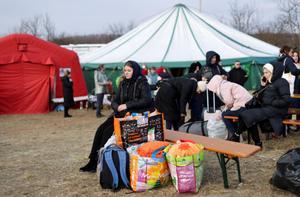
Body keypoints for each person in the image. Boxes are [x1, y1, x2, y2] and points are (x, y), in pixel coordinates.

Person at [80, 60, 154, 172]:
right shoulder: (123, 83)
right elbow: (115, 100)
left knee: (107, 132)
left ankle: (100, 162)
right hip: (121, 114)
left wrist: (127, 105)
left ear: (135, 70)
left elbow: (146, 100)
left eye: (129, 70)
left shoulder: (142, 83)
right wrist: (117, 106)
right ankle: (93, 160)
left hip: (136, 115)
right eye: (125, 70)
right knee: (100, 129)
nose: (127, 73)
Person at [240, 62, 290, 140]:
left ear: (273, 72)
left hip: (277, 110)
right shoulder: (268, 82)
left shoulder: (282, 82)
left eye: (267, 72)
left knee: (247, 115)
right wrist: (262, 86)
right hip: (267, 108)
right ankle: (256, 141)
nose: (264, 75)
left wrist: (272, 102)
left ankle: (236, 135)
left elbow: (286, 100)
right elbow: (260, 98)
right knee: (245, 115)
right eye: (264, 73)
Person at [205, 75, 257, 144]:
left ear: (214, 84)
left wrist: (222, 113)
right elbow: (230, 103)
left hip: (243, 105)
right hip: (249, 104)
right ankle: (238, 133)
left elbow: (229, 102)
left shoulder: (223, 87)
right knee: (227, 113)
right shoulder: (226, 84)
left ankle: (234, 135)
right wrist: (226, 109)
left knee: (224, 115)